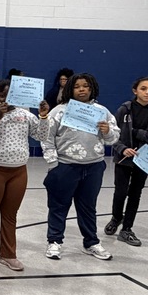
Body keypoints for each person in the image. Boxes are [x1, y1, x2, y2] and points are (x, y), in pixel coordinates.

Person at [41, 73, 119, 261]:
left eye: (85, 86)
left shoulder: (102, 111)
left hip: (93, 167)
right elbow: (46, 137)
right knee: (59, 205)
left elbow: (114, 137)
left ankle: (91, 242)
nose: (82, 89)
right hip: (65, 166)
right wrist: (53, 164)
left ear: (92, 88)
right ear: (70, 89)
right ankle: (55, 241)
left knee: (88, 207)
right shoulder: (59, 111)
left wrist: (107, 132)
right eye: (77, 86)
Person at [0, 81, 50, 271]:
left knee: (10, 215)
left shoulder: (25, 114)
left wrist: (43, 117)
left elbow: (41, 136)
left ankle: (8, 254)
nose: (7, 98)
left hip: (18, 171)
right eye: (4, 94)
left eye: (11, 94)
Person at [104, 77, 148, 247]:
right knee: (120, 191)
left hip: (145, 159)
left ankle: (127, 228)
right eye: (143, 88)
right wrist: (122, 148)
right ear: (135, 91)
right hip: (124, 158)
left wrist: (138, 133)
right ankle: (116, 217)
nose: (147, 92)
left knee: (135, 193)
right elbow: (113, 135)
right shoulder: (125, 109)